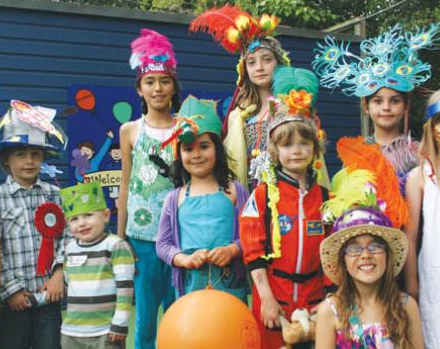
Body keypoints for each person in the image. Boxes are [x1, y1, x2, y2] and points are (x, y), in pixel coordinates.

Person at [239, 67, 329, 349]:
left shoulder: (327, 197)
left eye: (304, 143)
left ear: (315, 148)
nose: (297, 150)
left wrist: (330, 299)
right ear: (275, 151)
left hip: (316, 301)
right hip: (273, 300)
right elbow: (252, 253)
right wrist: (265, 297)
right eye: (288, 145)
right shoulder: (262, 196)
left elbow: (332, 254)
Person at [313, 23, 440, 195]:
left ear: (406, 106)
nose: (386, 108)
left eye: (394, 101)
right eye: (378, 101)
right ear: (366, 107)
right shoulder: (355, 152)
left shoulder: (417, 152)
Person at [0, 99, 69, 349]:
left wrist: (59, 274)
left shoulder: (54, 194)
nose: (29, 161)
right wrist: (10, 290)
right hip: (12, 302)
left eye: (36, 154)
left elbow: (67, 237)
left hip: (48, 300)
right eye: (20, 154)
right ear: (6, 161)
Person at [117, 29, 180, 349]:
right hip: (141, 240)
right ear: (139, 88)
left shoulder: (186, 126)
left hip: (180, 237)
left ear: (174, 85)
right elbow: (125, 183)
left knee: (178, 315)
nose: (158, 88)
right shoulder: (129, 130)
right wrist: (120, 237)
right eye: (150, 82)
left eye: (164, 80)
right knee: (144, 322)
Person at [315, 163, 424, 348]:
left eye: (375, 246)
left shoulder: (406, 306)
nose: (365, 255)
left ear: (388, 255)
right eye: (354, 249)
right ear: (343, 260)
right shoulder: (330, 311)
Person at [156, 95, 248, 301]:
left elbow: (252, 235)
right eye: (188, 149)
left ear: (217, 149)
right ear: (179, 154)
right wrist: (184, 259)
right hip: (191, 289)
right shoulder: (174, 198)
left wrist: (233, 249)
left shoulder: (235, 191)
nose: (196, 154)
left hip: (230, 287)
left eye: (204, 146)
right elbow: (163, 245)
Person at [190, 6, 290, 189]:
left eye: (267, 59)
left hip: (285, 193)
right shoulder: (239, 115)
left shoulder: (292, 107)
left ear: (280, 63)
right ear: (244, 70)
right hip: (249, 196)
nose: (259, 67)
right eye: (251, 62)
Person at [404, 85, 440, 348]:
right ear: (432, 129)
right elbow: (410, 238)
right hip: (437, 281)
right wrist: (412, 289)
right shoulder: (421, 177)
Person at [60, 181, 134, 349]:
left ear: (106, 215)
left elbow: (125, 287)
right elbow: (66, 284)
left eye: (88, 215)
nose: (81, 223)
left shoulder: (116, 245)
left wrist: (120, 323)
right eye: (74, 219)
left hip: (106, 332)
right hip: (72, 333)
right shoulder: (70, 249)